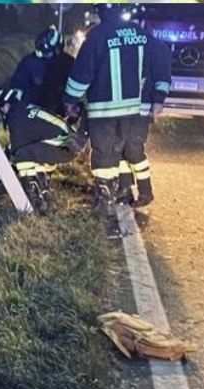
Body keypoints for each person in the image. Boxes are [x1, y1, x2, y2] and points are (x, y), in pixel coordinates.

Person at [63, 3, 152, 233]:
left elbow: (82, 73)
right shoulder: (139, 33)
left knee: (104, 155)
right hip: (133, 109)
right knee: (123, 150)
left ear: (101, 12)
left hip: (104, 110)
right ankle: (122, 191)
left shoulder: (97, 36)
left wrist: (70, 99)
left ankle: (105, 201)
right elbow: (149, 68)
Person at [0, 88, 88, 213]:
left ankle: (36, 200)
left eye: (0, 110)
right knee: (30, 153)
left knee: (22, 155)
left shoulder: (15, 117)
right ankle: (43, 194)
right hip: (66, 143)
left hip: (64, 144)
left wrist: (9, 159)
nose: (1, 114)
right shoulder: (24, 110)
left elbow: (18, 147)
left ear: (4, 105)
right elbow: (31, 139)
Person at [118, 24, 172, 207]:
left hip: (143, 107)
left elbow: (163, 79)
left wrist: (158, 101)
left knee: (133, 149)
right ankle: (124, 190)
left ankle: (146, 191)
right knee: (120, 149)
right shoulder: (130, 45)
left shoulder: (156, 48)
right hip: (123, 107)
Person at [0, 26, 72, 113]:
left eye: (46, 52)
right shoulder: (30, 62)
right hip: (32, 112)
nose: (41, 54)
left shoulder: (67, 64)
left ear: (57, 50)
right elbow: (18, 83)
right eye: (39, 51)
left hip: (58, 113)